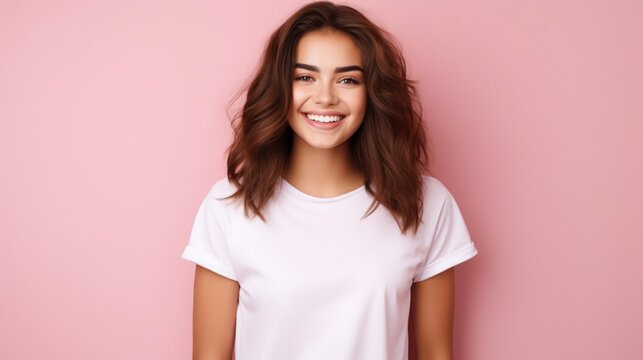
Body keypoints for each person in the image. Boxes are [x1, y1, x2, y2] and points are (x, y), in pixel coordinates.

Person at [181, 1, 478, 359]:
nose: (325, 97)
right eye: (305, 77)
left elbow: (436, 353)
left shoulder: (426, 203)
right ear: (279, 88)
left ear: (371, 93)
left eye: (347, 79)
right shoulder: (228, 205)